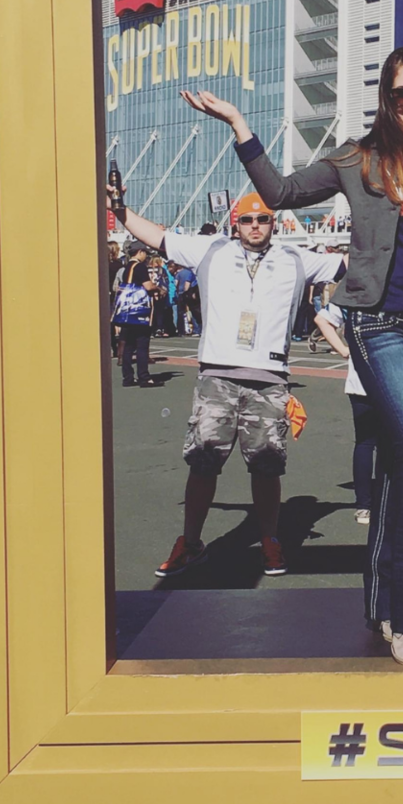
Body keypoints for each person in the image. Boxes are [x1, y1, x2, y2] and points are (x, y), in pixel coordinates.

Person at [182, 45, 403, 669]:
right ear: (387, 99)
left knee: (401, 466)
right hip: (379, 323)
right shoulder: (359, 157)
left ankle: (381, 598)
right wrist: (240, 127)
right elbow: (281, 192)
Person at [111, 181, 342, 581]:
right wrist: (118, 208)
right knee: (203, 463)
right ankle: (191, 542)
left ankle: (269, 539)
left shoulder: (296, 258)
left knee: (267, 467)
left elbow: (356, 262)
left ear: (273, 223)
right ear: (236, 224)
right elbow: (155, 237)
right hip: (217, 376)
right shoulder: (211, 250)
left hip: (269, 379)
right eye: (247, 219)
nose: (255, 226)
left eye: (263, 219)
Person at [313, 292, 379, 525]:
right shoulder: (400, 287)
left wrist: (344, 350)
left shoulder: (355, 291)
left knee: (365, 442)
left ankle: (364, 506)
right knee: (394, 443)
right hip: (399, 378)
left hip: (360, 377)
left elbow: (322, 319)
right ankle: (387, 501)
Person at [113, 242, 158, 387]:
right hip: (138, 311)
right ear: (140, 252)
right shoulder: (139, 267)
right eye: (145, 253)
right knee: (142, 344)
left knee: (128, 345)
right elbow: (148, 286)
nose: (146, 257)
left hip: (127, 310)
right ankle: (144, 377)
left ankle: (128, 377)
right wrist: (159, 289)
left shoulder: (126, 268)